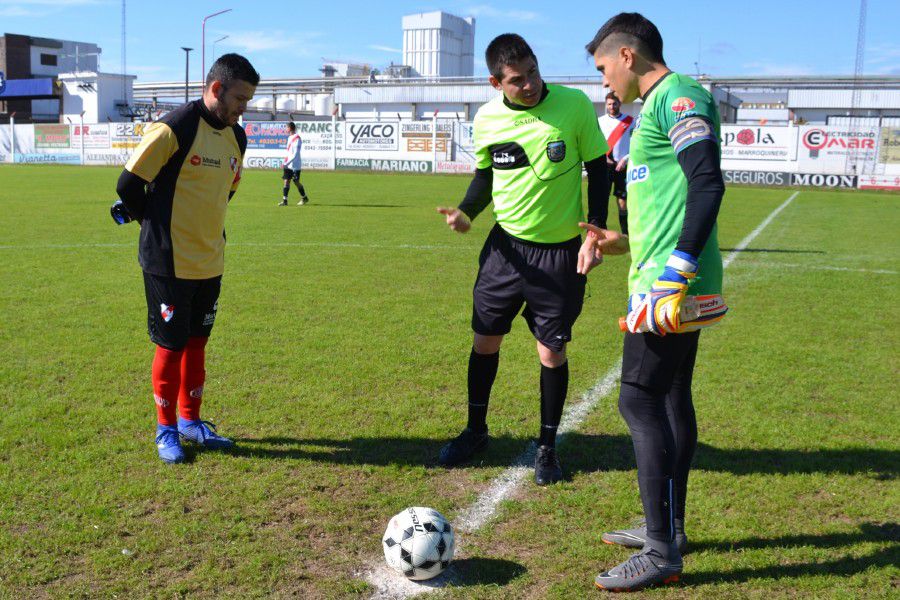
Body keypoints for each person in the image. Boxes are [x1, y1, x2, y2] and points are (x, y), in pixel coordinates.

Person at [581, 13, 728, 591]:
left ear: (626, 55)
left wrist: (677, 270)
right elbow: (665, 206)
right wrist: (620, 243)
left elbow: (707, 183)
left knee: (638, 399)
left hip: (669, 285)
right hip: (660, 275)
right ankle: (669, 529)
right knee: (667, 398)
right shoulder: (652, 112)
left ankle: (662, 550)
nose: (603, 83)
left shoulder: (679, 96)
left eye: (601, 69)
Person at [435, 34, 610, 486]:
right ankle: (476, 431)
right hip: (505, 251)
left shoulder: (572, 106)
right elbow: (484, 177)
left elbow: (600, 169)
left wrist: (594, 229)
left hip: (560, 253)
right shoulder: (487, 119)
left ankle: (547, 447)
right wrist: (465, 212)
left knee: (551, 352)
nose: (530, 85)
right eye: (517, 80)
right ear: (496, 82)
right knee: (484, 341)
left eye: (533, 72)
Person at [110, 53, 259, 464]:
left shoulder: (237, 138)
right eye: (241, 98)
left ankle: (192, 421)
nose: (244, 108)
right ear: (217, 89)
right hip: (168, 260)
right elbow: (128, 185)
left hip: (211, 258)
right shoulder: (173, 128)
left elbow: (226, 190)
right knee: (171, 346)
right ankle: (166, 429)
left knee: (198, 344)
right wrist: (153, 224)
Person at [597, 91, 634, 234]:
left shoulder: (630, 121)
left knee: (622, 202)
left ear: (620, 104)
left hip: (622, 167)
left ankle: (626, 234)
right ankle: (602, 232)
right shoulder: (600, 121)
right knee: (602, 201)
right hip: (605, 166)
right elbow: (595, 142)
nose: (612, 106)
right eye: (609, 104)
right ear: (606, 105)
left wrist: (625, 159)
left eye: (614, 103)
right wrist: (602, 156)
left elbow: (637, 143)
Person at [278, 121, 310, 206]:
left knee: (296, 181)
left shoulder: (297, 138)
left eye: (286, 127)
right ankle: (285, 201)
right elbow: (289, 152)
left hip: (295, 164)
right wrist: (285, 162)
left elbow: (295, 154)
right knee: (286, 181)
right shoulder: (289, 138)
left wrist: (287, 162)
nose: (285, 129)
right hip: (288, 164)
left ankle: (304, 197)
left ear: (290, 128)